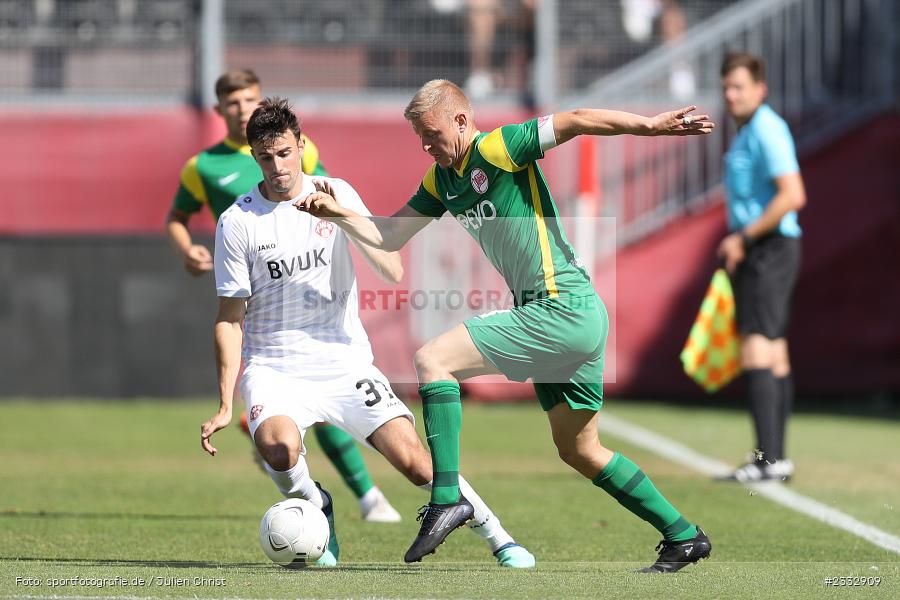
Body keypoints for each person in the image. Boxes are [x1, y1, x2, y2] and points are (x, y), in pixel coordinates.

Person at [295, 79, 715, 572]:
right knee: (581, 450)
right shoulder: (441, 180)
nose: (426, 146)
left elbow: (575, 118)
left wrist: (650, 125)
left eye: (431, 134)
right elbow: (388, 236)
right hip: (572, 317)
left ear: (460, 119)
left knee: (434, 360)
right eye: (419, 139)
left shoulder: (496, 147)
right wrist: (339, 212)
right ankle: (683, 535)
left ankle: (448, 497)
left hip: (561, 306)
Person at [199, 97, 536, 568]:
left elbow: (392, 266)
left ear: (300, 146)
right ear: (253, 156)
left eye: (284, 153)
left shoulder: (336, 191)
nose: (276, 166)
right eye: (264, 156)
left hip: (344, 363)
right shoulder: (238, 222)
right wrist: (223, 401)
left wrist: (340, 216)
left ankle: (501, 539)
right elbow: (229, 317)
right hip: (274, 368)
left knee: (416, 462)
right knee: (278, 448)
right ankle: (317, 509)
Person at [167, 68, 401, 523]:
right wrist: (187, 250)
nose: (243, 109)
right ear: (219, 111)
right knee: (284, 411)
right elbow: (176, 216)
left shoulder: (297, 149)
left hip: (300, 287)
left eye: (250, 99)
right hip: (247, 286)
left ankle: (365, 495)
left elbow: (327, 198)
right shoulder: (203, 167)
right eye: (233, 103)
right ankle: (311, 474)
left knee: (317, 394)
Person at [716, 53, 806, 483]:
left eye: (739, 87)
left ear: (759, 89)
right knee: (775, 349)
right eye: (726, 87)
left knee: (757, 346)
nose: (731, 95)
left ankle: (767, 460)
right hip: (769, 248)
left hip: (769, 248)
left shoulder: (767, 128)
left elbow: (792, 195)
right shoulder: (751, 130)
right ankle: (777, 459)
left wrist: (743, 238)